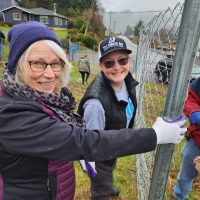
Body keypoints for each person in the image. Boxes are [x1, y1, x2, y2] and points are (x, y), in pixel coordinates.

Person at [0, 21, 186, 200]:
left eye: (55, 63)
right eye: (38, 63)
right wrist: (154, 135)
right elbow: (86, 141)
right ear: (18, 66)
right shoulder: (12, 116)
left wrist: (75, 151)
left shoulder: (45, 99)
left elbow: (66, 137)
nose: (49, 74)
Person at [76, 36, 180, 199]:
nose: (117, 67)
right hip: (101, 152)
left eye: (122, 60)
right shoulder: (96, 105)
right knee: (101, 184)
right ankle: (103, 190)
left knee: (111, 167)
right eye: (109, 63)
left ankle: (107, 183)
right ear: (101, 66)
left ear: (129, 61)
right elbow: (95, 144)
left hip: (114, 141)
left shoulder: (127, 81)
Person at [173, 77, 200, 200]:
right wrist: (194, 111)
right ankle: (180, 197)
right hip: (198, 140)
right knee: (186, 174)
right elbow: (190, 98)